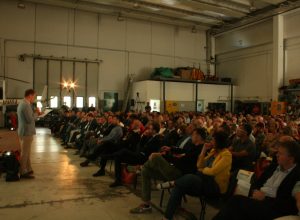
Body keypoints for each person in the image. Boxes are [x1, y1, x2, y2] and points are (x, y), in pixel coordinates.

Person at [213, 139, 300, 220]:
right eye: (277, 152)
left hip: (272, 207)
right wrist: (254, 191)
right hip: (258, 197)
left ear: (291, 158)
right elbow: (259, 182)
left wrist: (265, 198)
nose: (277, 155)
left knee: (236, 202)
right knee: (234, 198)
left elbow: (289, 205)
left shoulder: (296, 175)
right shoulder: (274, 166)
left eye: (280, 153)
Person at [130, 127, 207, 214]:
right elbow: (184, 151)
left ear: (198, 137)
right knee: (145, 171)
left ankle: (141, 167)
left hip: (179, 175)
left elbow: (181, 161)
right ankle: (146, 205)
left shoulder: (200, 150)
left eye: (193, 135)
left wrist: (163, 156)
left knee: (156, 157)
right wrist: (171, 149)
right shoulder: (194, 147)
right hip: (174, 170)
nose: (191, 136)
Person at [161, 129, 232, 220]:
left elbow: (213, 171)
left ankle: (174, 182)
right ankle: (167, 217)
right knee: (179, 187)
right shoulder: (213, 151)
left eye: (213, 140)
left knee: (191, 177)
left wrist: (202, 170)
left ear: (219, 142)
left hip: (214, 186)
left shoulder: (226, 155)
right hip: (203, 181)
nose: (211, 141)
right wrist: (204, 149)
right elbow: (199, 165)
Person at [17, 89, 36, 179]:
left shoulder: (22, 103)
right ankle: (22, 171)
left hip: (23, 131)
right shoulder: (25, 105)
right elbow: (29, 119)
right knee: (25, 153)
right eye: (34, 96)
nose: (34, 98)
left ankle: (28, 168)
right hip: (26, 132)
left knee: (27, 152)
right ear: (30, 96)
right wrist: (37, 114)